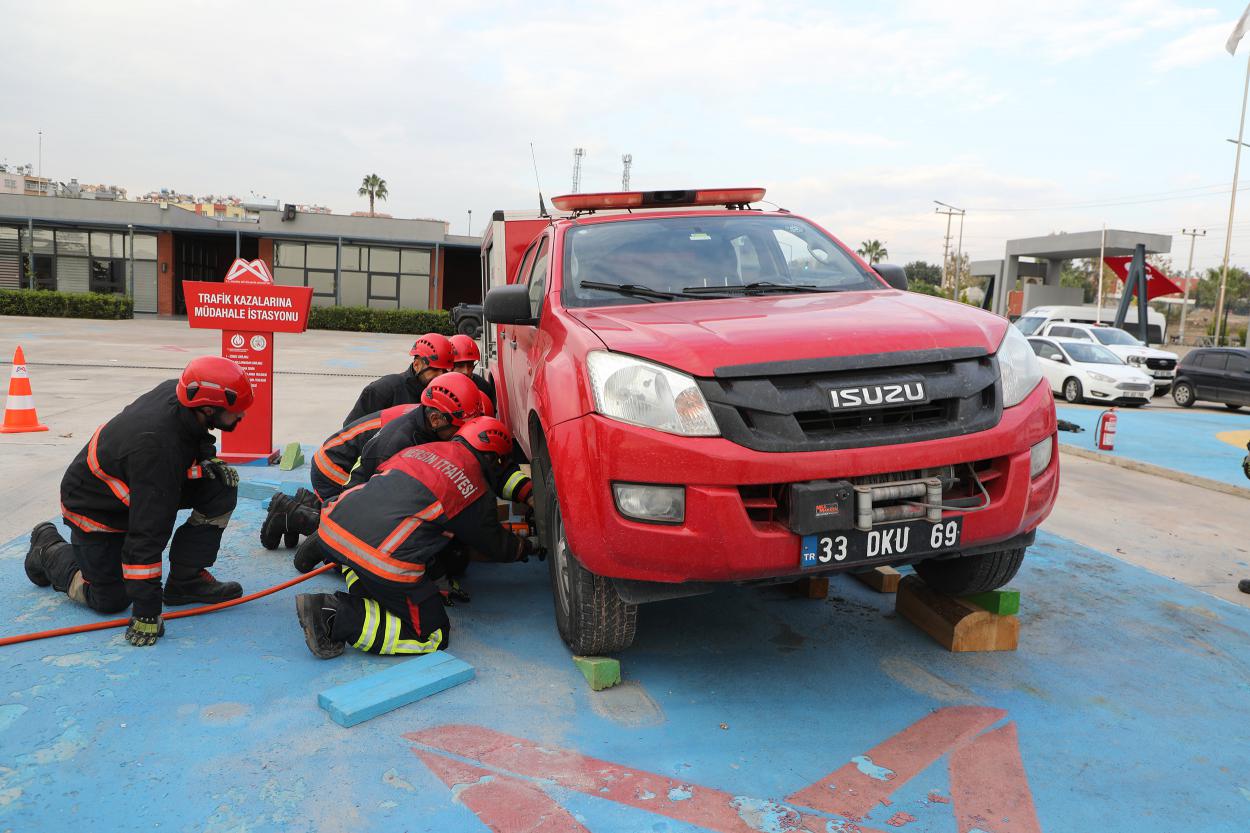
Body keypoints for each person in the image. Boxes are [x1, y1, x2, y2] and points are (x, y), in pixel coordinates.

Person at [24, 356, 254, 647]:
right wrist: (146, 612)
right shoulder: (157, 450)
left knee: (220, 486)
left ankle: (186, 582)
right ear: (208, 408)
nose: (242, 416)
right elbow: (146, 536)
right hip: (95, 509)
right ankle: (47, 549)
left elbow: (195, 435)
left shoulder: (182, 393)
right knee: (110, 599)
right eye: (236, 411)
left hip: (135, 485)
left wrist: (205, 459)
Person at [294, 417, 539, 658]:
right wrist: (526, 547)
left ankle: (339, 567)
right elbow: (492, 543)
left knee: (385, 559)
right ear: (493, 459)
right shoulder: (474, 487)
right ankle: (333, 615)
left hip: (334, 526)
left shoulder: (420, 449)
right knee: (432, 634)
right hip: (379, 557)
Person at [284, 372, 487, 573]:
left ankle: (311, 516)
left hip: (358, 469)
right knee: (363, 552)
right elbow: (369, 503)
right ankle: (297, 517)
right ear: (435, 420)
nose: (462, 437)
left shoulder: (427, 422)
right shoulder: (395, 445)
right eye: (459, 430)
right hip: (335, 468)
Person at [258, 403, 420, 550]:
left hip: (338, 456)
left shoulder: (421, 415)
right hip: (334, 468)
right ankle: (292, 515)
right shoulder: (404, 435)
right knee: (358, 536)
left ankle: (306, 503)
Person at [341, 333, 454, 426]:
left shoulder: (443, 395)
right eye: (435, 370)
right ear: (416, 365)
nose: (441, 376)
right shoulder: (383, 390)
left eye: (445, 371)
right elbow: (350, 433)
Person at [449, 333, 496, 411]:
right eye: (460, 366)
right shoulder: (436, 387)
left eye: (470, 365)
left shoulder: (484, 387)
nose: (466, 371)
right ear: (449, 366)